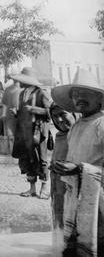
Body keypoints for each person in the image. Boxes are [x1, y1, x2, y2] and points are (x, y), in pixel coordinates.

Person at [50, 68, 104, 256]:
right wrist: (64, 167)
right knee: (75, 243)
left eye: (86, 94)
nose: (80, 98)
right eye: (76, 95)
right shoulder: (76, 127)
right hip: (77, 198)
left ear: (99, 98)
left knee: (97, 242)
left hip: (98, 200)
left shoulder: (101, 124)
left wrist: (80, 168)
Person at [9, 66, 52, 199]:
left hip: (38, 132)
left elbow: (52, 112)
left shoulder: (42, 93)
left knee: (42, 159)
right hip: (24, 133)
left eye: (21, 80)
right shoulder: (22, 94)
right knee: (27, 159)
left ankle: (44, 189)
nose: (19, 82)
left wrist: (35, 109)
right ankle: (32, 189)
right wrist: (16, 113)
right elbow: (23, 113)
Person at [48, 103, 77, 254]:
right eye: (54, 116)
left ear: (74, 114)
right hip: (59, 188)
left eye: (63, 114)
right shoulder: (59, 136)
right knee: (60, 217)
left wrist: (75, 168)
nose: (59, 120)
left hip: (76, 190)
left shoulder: (81, 135)